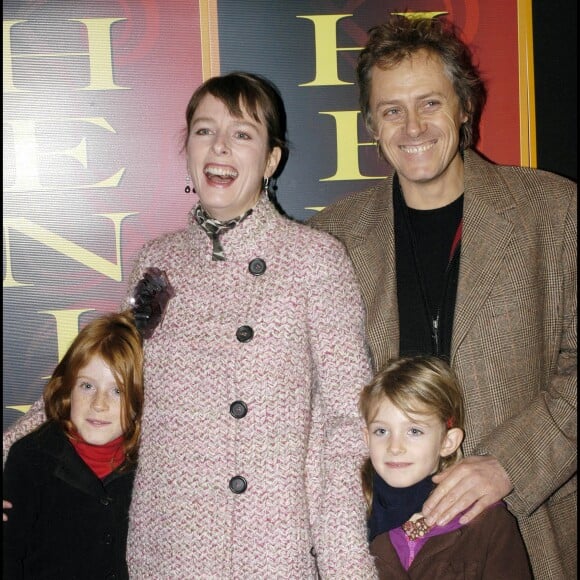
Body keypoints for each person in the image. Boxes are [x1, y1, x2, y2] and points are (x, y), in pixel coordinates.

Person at [4, 72, 377, 578]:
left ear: (272, 160)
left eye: (242, 134)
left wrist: (346, 567)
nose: (219, 146)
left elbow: (348, 424)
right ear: (187, 150)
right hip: (164, 550)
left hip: (272, 552)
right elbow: (99, 375)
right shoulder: (159, 266)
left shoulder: (315, 261)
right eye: (204, 131)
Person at [308, 14, 576, 580]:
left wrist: (509, 465)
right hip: (379, 551)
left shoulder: (553, 213)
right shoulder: (331, 240)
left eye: (430, 103)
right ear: (372, 127)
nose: (412, 127)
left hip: (523, 541)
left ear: (464, 109)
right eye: (391, 110)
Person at [359, 355, 531, 578]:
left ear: (447, 442)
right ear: (367, 438)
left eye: (414, 431)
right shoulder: (351, 518)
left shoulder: (486, 522)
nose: (394, 447)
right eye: (381, 431)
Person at [3, 310, 144, 579]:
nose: (99, 404)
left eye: (118, 391)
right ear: (68, 389)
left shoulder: (150, 465)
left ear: (138, 402)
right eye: (87, 386)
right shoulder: (30, 459)